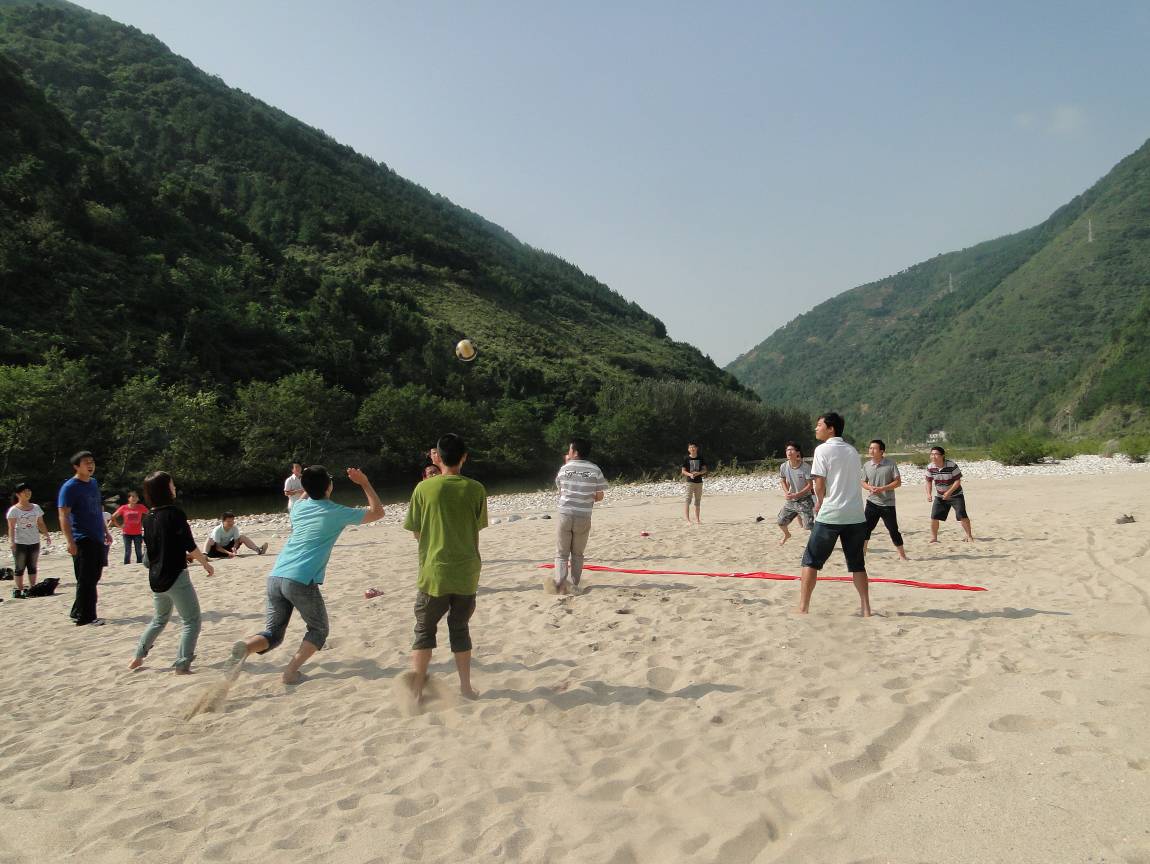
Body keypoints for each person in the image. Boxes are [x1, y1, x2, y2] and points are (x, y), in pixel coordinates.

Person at [230, 465, 384, 684]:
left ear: (304, 487)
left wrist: (308, 481)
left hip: (276, 575)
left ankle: (246, 647)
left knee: (273, 634)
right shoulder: (336, 512)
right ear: (329, 486)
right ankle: (290, 672)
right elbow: (378, 512)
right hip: (300, 579)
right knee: (319, 630)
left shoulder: (299, 508)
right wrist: (364, 483)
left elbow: (305, 494)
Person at [403, 433, 488, 703]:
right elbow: (476, 527)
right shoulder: (476, 489)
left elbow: (416, 532)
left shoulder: (423, 489)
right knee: (460, 629)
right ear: (464, 457)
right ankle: (466, 688)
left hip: (434, 571)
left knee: (424, 631)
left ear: (437, 457)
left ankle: (416, 691)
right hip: (466, 571)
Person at [128, 472, 213, 674]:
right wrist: (205, 563)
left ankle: (138, 656)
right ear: (164, 489)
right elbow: (189, 544)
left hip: (156, 579)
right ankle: (182, 664)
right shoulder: (175, 513)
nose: (174, 488)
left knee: (159, 619)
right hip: (176, 577)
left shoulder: (148, 517)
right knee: (191, 621)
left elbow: (150, 554)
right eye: (172, 484)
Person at [798, 413, 871, 617]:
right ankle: (866, 609)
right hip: (855, 514)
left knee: (810, 561)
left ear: (831, 429)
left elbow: (819, 483)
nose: (816, 428)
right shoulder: (852, 451)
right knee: (857, 564)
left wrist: (820, 502)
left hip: (831, 513)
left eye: (819, 425)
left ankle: (803, 608)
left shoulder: (822, 449)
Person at [57, 451, 113, 626]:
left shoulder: (93, 483)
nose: (90, 465)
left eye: (92, 462)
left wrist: (105, 530)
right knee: (86, 578)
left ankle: (77, 610)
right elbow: (63, 515)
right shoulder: (69, 487)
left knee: (94, 576)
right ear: (76, 466)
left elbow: (97, 509)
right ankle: (86, 617)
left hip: (97, 535)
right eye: (86, 462)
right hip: (81, 537)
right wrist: (70, 541)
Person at [550, 437, 608, 594]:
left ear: (575, 452)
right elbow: (600, 496)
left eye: (570, 449)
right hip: (583, 515)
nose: (568, 452)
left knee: (561, 553)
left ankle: (560, 584)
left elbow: (561, 491)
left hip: (565, 514)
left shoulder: (564, 469)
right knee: (577, 554)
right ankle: (574, 584)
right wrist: (588, 495)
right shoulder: (595, 469)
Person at [862, 439, 908, 560]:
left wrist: (883, 488)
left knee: (893, 530)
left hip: (888, 504)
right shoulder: (866, 465)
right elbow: (863, 482)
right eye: (870, 448)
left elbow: (898, 482)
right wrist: (869, 487)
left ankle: (902, 556)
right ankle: (862, 554)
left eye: (874, 448)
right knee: (865, 529)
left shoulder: (890, 464)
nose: (871, 450)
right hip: (872, 502)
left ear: (881, 451)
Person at [7, 483, 51, 599]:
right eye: (24, 491)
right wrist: (12, 542)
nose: (28, 493)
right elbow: (11, 528)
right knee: (20, 567)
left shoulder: (36, 507)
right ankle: (20, 589)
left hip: (34, 540)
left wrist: (46, 534)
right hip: (19, 542)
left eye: (29, 491)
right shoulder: (13, 510)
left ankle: (32, 588)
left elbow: (40, 523)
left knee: (32, 566)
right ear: (18, 494)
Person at [926, 446, 974, 542]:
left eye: (936, 454)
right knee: (934, 516)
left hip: (956, 495)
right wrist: (928, 494)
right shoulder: (930, 467)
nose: (933, 456)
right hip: (940, 496)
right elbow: (928, 481)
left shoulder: (952, 465)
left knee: (962, 515)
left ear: (942, 455)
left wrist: (949, 492)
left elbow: (957, 481)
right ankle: (934, 538)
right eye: (932, 454)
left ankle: (969, 536)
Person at [777, 441, 814, 546]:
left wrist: (797, 494)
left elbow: (810, 485)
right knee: (780, 522)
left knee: (808, 526)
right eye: (787, 450)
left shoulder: (805, 467)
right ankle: (787, 535)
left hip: (805, 500)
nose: (789, 452)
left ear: (798, 453)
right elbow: (782, 480)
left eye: (791, 450)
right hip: (791, 500)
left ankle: (815, 542)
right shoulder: (783, 466)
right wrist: (787, 492)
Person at [204, 512, 268, 558]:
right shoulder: (217, 530)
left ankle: (258, 550)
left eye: (232, 521)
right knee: (209, 539)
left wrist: (234, 547)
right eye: (228, 521)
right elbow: (218, 547)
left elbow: (236, 541)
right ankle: (204, 555)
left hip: (228, 550)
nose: (231, 523)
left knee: (242, 537)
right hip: (215, 552)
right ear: (223, 522)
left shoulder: (234, 528)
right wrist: (229, 553)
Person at [111, 490, 148, 565]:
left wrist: (147, 523)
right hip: (126, 533)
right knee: (128, 551)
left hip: (137, 533)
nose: (134, 498)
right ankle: (126, 564)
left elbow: (150, 514)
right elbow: (113, 516)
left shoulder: (141, 507)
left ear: (138, 499)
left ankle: (139, 564)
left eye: (136, 497)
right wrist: (119, 526)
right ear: (129, 498)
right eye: (132, 497)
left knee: (138, 551)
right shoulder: (124, 507)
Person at [681, 442, 708, 523]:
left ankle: (697, 519)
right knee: (688, 500)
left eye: (693, 447)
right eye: (690, 447)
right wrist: (690, 474)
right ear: (688, 449)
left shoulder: (700, 458)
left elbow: (705, 470)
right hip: (690, 482)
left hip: (699, 482)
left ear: (697, 448)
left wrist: (699, 473)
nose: (692, 449)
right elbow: (683, 471)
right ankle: (688, 520)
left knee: (697, 501)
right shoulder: (686, 458)